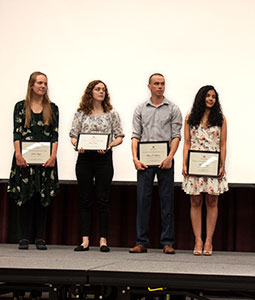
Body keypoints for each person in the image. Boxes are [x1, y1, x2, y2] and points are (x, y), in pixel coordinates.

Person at [129, 73, 182, 254]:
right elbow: (135, 136)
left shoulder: (173, 108)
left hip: (165, 160)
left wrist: (170, 157)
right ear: (149, 86)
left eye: (163, 84)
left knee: (167, 201)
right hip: (144, 160)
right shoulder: (140, 109)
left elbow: (176, 136)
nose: (160, 86)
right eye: (156, 84)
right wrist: (135, 159)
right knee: (143, 201)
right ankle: (141, 242)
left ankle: (167, 242)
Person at [70, 80, 124, 252]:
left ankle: (103, 240)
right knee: (85, 200)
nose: (101, 92)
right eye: (98, 89)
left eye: (104, 90)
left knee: (103, 200)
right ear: (90, 92)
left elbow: (120, 136)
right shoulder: (80, 113)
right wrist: (78, 144)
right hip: (85, 158)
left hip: (104, 159)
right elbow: (73, 135)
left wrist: (109, 145)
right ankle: (85, 240)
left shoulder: (111, 113)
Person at [7, 71, 59, 250]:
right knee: (25, 197)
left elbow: (54, 135)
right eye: (39, 83)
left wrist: (53, 157)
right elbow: (17, 132)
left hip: (46, 161)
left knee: (42, 198)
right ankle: (24, 238)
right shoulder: (21, 107)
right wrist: (18, 155)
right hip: (24, 160)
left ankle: (39, 237)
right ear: (31, 85)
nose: (43, 86)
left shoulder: (52, 108)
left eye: (45, 83)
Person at [182, 85, 228, 256]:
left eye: (213, 96)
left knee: (212, 202)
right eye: (207, 96)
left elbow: (222, 144)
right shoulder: (189, 118)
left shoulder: (221, 119)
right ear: (201, 98)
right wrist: (184, 164)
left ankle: (208, 240)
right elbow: (187, 143)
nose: (210, 99)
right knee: (195, 202)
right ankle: (198, 240)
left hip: (213, 165)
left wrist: (222, 164)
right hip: (195, 165)